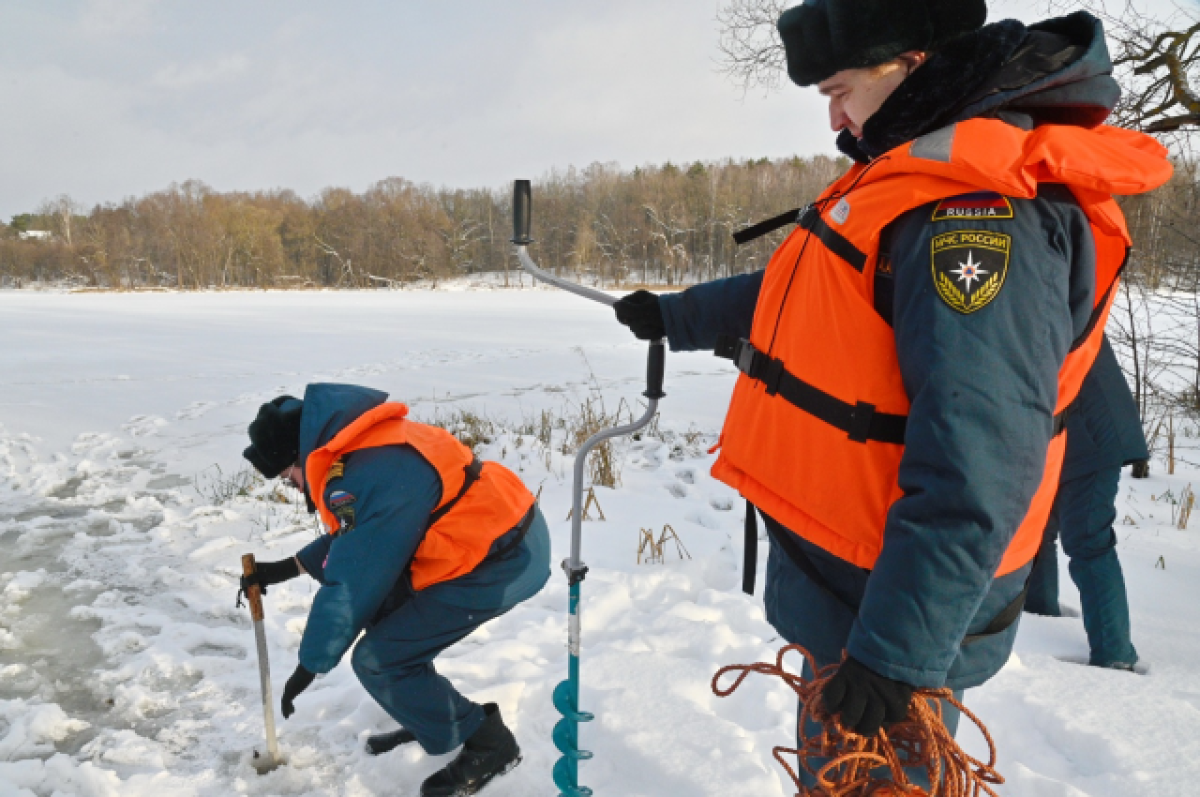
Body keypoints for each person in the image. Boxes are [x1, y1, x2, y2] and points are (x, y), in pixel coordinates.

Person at [614, 0, 1170, 787]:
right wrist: (678, 315)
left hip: (886, 608)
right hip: (851, 584)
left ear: (909, 64)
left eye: (839, 89)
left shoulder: (973, 213)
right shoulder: (913, 169)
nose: (834, 117)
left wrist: (895, 653)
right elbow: (815, 286)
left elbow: (978, 457)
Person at [237, 383, 550, 797]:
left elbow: (352, 583)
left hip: (499, 559)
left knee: (380, 659)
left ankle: (490, 743)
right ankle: (429, 714)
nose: (292, 486)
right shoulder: (366, 447)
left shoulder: (367, 473)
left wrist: (310, 663)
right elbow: (365, 531)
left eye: (285, 475)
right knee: (390, 618)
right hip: (491, 535)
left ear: (298, 456)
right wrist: (284, 569)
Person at [1024, 335, 1146, 670]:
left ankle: (1115, 654)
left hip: (1091, 438)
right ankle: (1038, 614)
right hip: (1067, 435)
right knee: (1035, 528)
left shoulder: (1046, 297)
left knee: (1088, 541)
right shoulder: (1049, 292)